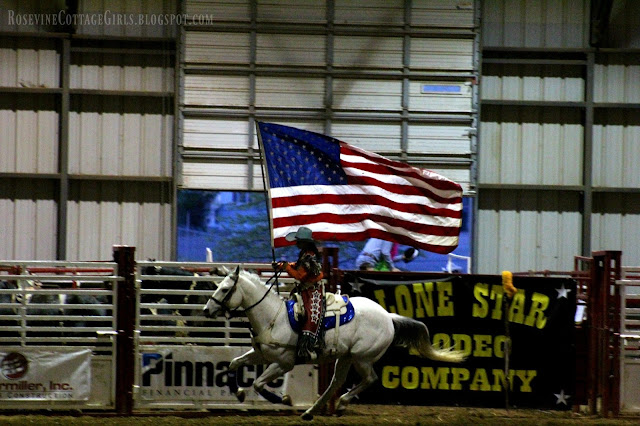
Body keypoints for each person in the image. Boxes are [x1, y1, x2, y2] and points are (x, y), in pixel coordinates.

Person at [273, 227, 325, 362]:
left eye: (299, 241)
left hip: (313, 289)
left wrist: (286, 268)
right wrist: (284, 265)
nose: (296, 243)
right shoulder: (305, 253)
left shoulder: (310, 255)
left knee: (310, 313)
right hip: (304, 288)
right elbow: (298, 265)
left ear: (304, 242)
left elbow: (300, 275)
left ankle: (310, 345)